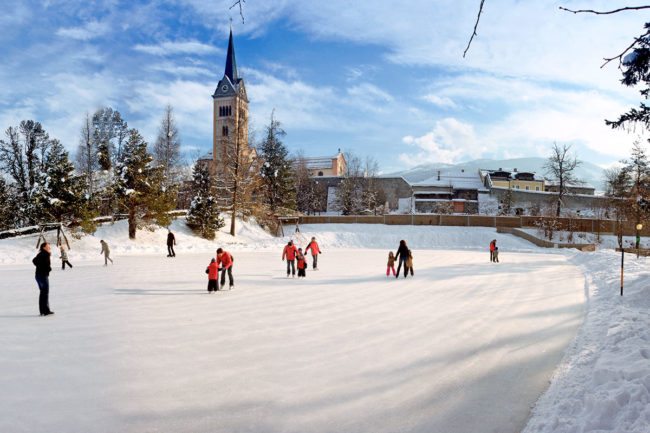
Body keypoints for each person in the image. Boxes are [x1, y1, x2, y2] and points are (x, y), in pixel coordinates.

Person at [33, 242, 54, 316]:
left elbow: (35, 261)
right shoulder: (45, 254)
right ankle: (45, 311)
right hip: (42, 275)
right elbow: (36, 261)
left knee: (43, 293)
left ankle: (43, 311)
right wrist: (48, 269)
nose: (49, 247)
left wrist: (42, 267)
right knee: (45, 293)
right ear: (44, 247)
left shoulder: (41, 254)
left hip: (39, 275)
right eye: (48, 246)